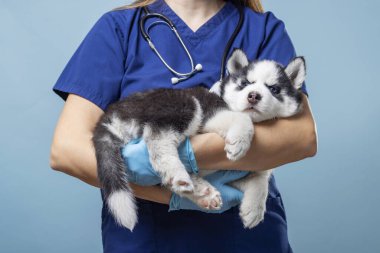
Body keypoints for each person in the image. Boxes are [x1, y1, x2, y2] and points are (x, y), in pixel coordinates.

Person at [49, 0, 317, 252]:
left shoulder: (262, 29)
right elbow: (67, 150)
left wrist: (182, 155)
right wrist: (173, 193)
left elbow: (301, 137)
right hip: (150, 239)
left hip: (249, 239)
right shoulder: (119, 28)